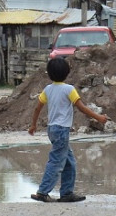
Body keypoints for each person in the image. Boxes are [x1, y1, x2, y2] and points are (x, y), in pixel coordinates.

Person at [28, 56, 108, 202]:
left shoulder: (48, 89)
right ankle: (43, 192)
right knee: (56, 161)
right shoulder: (69, 89)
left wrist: (33, 125)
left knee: (69, 162)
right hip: (62, 131)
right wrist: (99, 118)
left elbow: (37, 108)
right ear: (67, 73)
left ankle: (66, 193)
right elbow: (82, 108)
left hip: (52, 130)